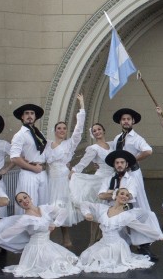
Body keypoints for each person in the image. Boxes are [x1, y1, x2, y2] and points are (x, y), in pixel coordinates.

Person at [0, 192, 81, 279]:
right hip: (36, 249)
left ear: (30, 197)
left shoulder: (44, 209)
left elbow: (63, 211)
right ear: (20, 206)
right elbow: (11, 231)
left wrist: (55, 223)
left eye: (25, 197)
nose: (24, 201)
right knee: (57, 265)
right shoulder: (25, 219)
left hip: (48, 245)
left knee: (69, 260)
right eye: (20, 201)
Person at [78, 188, 163, 273]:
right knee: (85, 256)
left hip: (116, 246)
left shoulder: (126, 216)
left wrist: (161, 236)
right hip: (103, 243)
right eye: (122, 194)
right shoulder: (103, 209)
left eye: (127, 195)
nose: (125, 196)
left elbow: (142, 227)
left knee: (97, 258)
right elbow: (84, 204)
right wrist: (87, 214)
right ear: (115, 196)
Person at [44, 93, 85, 247]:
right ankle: (44, 238)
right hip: (50, 179)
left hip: (63, 179)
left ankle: (66, 237)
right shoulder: (47, 144)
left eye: (64, 128)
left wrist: (81, 106)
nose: (61, 130)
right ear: (55, 130)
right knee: (50, 206)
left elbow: (79, 130)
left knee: (63, 206)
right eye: (59, 128)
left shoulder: (69, 144)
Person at [69, 122, 113, 246]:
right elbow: (84, 162)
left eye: (99, 129)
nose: (97, 132)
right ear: (93, 134)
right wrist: (74, 171)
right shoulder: (93, 148)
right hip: (100, 180)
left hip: (112, 179)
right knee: (97, 210)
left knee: (108, 209)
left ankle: (102, 237)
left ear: (104, 131)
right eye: (94, 131)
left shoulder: (112, 145)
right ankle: (92, 241)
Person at [9, 103, 48, 215]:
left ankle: (43, 231)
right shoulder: (20, 135)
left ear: (35, 117)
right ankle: (28, 231)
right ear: (22, 117)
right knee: (29, 206)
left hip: (42, 173)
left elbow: (45, 152)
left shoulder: (39, 133)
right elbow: (15, 158)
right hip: (29, 174)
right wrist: (33, 168)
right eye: (27, 113)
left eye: (32, 113)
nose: (29, 116)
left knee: (43, 206)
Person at [112, 108, 153, 211]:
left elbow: (148, 151)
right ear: (120, 122)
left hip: (132, 173)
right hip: (120, 174)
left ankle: (142, 224)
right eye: (123, 119)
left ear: (133, 121)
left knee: (137, 200)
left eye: (128, 119)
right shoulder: (117, 138)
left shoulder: (137, 138)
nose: (126, 121)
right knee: (120, 199)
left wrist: (130, 160)